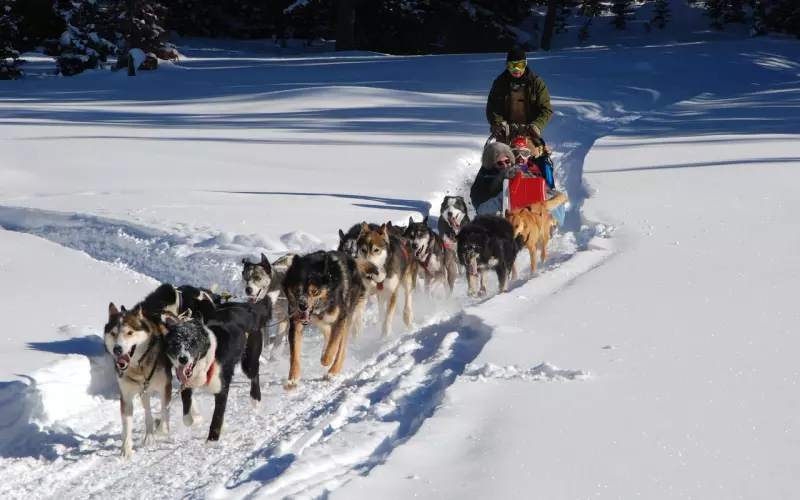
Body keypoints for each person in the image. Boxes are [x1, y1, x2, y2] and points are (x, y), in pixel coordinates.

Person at [486, 46, 553, 142]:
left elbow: (546, 110)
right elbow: (492, 107)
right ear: (507, 66)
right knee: (501, 155)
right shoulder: (500, 83)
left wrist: (537, 125)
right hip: (505, 131)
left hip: (529, 131)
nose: (516, 69)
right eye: (512, 66)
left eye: (520, 65)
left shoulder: (536, 83)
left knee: (532, 155)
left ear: (525, 64)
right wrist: (497, 122)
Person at [508, 136, 566, 233]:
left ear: (528, 155)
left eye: (524, 154)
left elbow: (542, 183)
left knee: (556, 200)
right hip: (513, 197)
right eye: (516, 154)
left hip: (534, 196)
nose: (520, 158)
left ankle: (553, 222)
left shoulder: (533, 168)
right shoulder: (506, 166)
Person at [469, 142, 520, 216]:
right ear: (492, 165)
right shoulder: (485, 176)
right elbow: (481, 196)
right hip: (488, 209)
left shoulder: (513, 168)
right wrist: (501, 177)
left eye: (507, 161)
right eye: (500, 163)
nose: (505, 165)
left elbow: (525, 167)